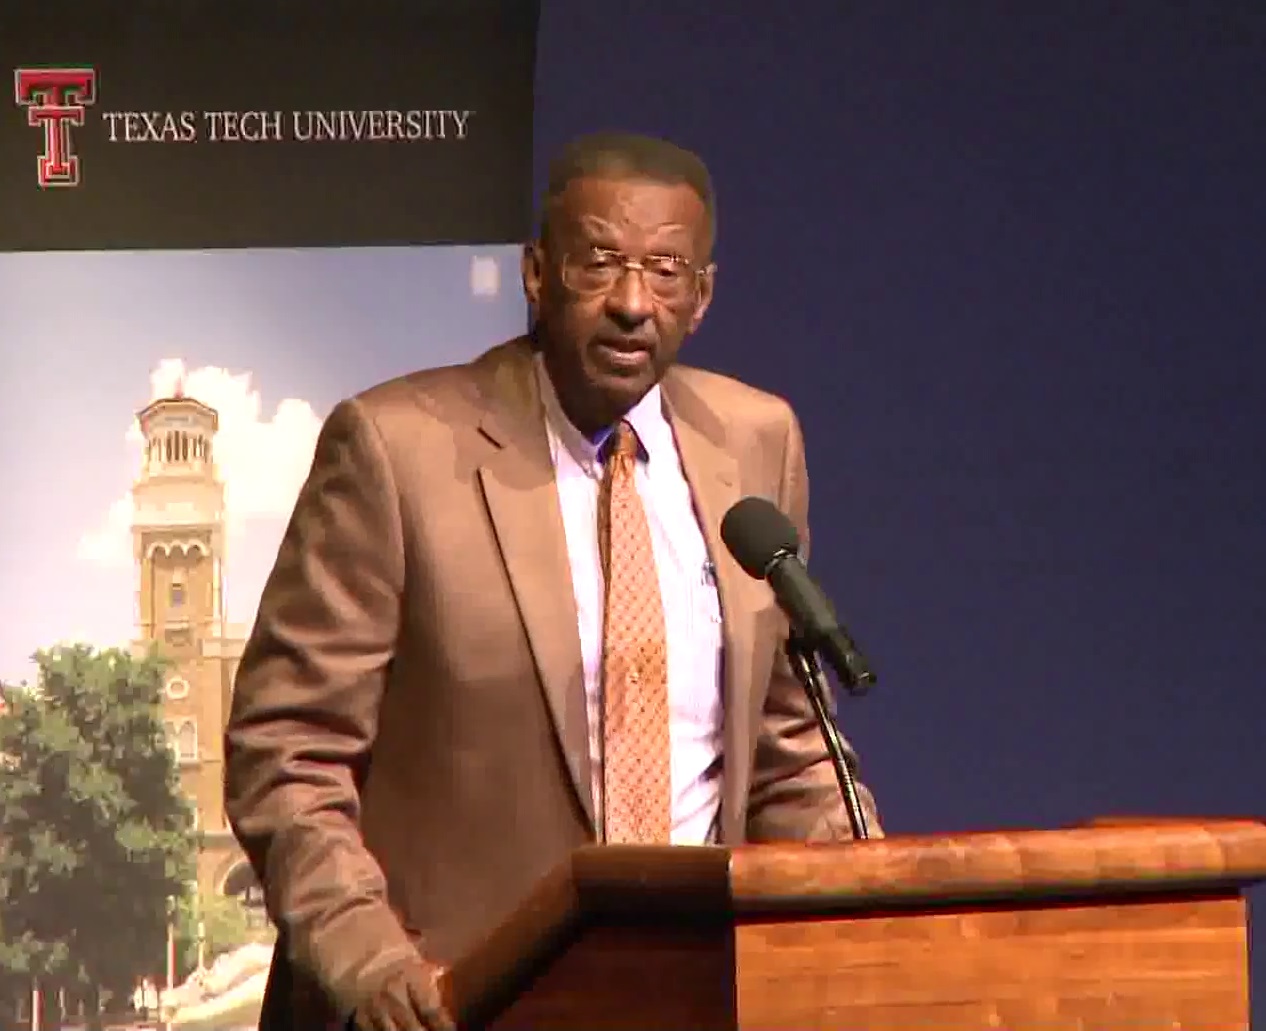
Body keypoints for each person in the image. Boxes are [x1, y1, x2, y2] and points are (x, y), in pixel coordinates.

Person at [223, 131, 883, 1031]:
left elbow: (785, 743)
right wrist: (365, 955)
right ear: (537, 274)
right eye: (599, 264)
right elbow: (288, 747)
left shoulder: (755, 440)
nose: (630, 303)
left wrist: (868, 915)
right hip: (456, 1000)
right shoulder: (397, 449)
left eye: (664, 272)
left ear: (703, 295)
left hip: (687, 997)